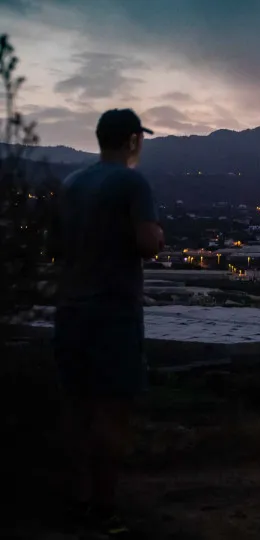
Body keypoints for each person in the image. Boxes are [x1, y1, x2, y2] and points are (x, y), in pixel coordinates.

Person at [52, 108, 164, 537]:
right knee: (112, 411)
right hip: (113, 310)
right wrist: (157, 236)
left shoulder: (71, 183)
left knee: (76, 409)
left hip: (71, 307)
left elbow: (56, 245)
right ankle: (104, 509)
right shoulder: (132, 182)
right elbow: (147, 243)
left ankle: (75, 503)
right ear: (133, 140)